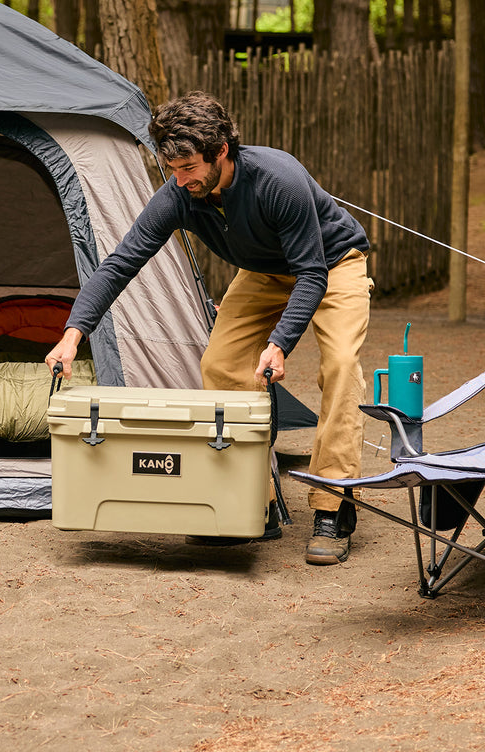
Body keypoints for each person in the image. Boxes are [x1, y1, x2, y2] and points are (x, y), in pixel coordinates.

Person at [45, 91, 372, 565]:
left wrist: (280, 344)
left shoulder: (278, 179)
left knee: (341, 366)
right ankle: (249, 504)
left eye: (189, 168)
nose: (181, 180)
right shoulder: (180, 193)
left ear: (221, 151)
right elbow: (121, 263)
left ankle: (332, 506)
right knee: (220, 366)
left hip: (331, 264)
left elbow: (311, 273)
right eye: (172, 169)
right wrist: (74, 333)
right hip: (261, 273)